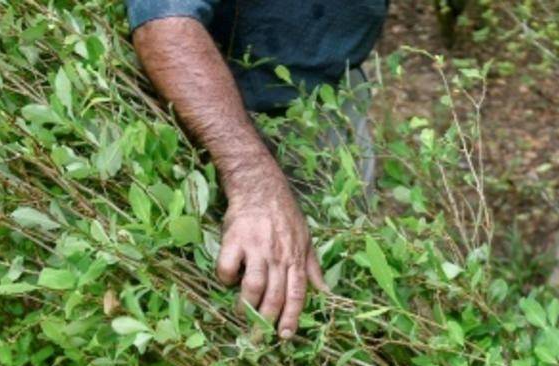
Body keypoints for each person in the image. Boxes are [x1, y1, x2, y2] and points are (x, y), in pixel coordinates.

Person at [125, 1, 387, 339]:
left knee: (346, 285)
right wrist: (255, 185)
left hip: (336, 91)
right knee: (250, 325)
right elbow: (165, 23)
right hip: (230, 118)